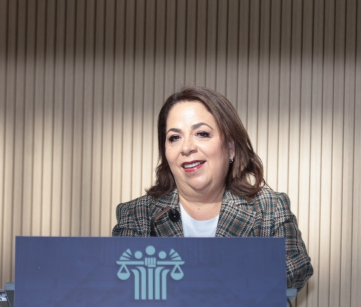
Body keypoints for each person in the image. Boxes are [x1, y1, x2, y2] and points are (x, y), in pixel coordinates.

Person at [112, 86, 313, 291]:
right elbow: (119, 283)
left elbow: (297, 268)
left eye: (202, 133)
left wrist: (200, 278)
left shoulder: (269, 207)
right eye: (174, 137)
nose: (186, 147)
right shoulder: (137, 214)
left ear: (230, 147)